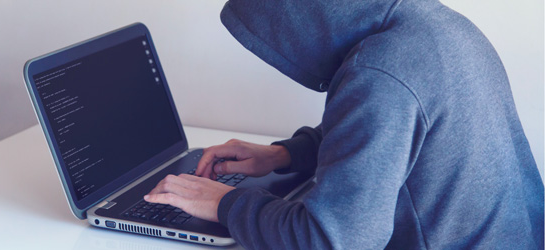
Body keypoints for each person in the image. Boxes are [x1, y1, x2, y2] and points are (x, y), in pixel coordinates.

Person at [143, 0, 544, 248]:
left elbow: (329, 240)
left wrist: (222, 202)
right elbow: (400, 141)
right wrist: (283, 155)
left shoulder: (381, 74)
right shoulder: (436, 25)